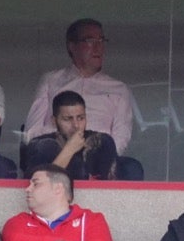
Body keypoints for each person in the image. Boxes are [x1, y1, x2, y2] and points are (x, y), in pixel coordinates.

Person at [24, 19, 139, 162]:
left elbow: (121, 137)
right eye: (90, 41)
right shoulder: (51, 80)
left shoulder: (119, 89)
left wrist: (100, 158)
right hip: (55, 153)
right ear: (72, 46)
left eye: (101, 40)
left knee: (132, 168)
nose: (98, 47)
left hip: (97, 157)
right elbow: (32, 131)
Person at [19, 91, 117, 181]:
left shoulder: (100, 143)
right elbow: (41, 184)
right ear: (54, 121)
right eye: (67, 119)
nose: (76, 125)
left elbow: (109, 189)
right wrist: (69, 149)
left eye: (81, 118)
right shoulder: (40, 145)